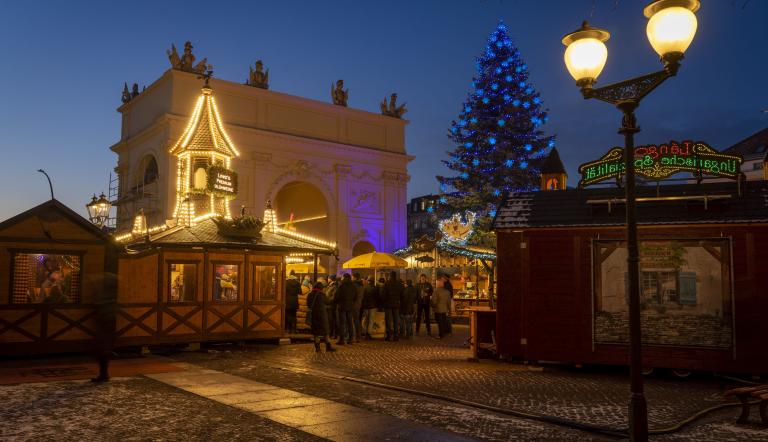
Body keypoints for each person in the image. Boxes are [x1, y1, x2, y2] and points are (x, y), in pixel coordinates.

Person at [307, 282, 336, 353]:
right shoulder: (321, 295)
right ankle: (328, 347)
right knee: (325, 332)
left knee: (316, 332)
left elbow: (308, 304)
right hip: (322, 316)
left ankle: (317, 348)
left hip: (314, 315)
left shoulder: (310, 295)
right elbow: (328, 302)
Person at [334, 273, 357, 345]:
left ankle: (342, 339)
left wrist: (336, 301)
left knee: (342, 323)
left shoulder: (342, 285)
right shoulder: (353, 286)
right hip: (350, 306)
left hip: (342, 306)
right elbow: (356, 296)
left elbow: (337, 296)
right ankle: (351, 339)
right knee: (350, 323)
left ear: (344, 278)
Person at [383, 271, 404, 341]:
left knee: (388, 320)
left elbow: (384, 294)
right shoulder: (399, 284)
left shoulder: (387, 283)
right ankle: (396, 335)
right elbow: (402, 294)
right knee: (395, 320)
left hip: (388, 304)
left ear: (390, 276)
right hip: (396, 304)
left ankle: (389, 335)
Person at [324, 275, 339, 339]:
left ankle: (333, 334)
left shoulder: (334, 286)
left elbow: (333, 297)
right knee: (330, 320)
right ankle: (330, 333)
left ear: (331, 279)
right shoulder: (330, 286)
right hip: (329, 306)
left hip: (331, 306)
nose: (327, 279)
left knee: (332, 320)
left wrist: (328, 301)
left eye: (328, 278)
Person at [351, 273, 364, 342]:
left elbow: (353, 295)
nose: (351, 278)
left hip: (353, 305)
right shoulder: (361, 285)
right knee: (357, 321)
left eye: (352, 277)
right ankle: (358, 336)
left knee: (353, 321)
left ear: (355, 277)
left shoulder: (354, 285)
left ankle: (354, 336)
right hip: (359, 304)